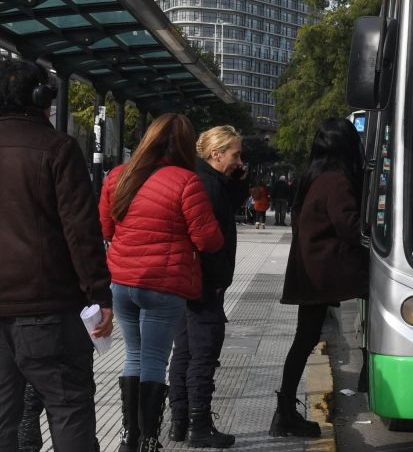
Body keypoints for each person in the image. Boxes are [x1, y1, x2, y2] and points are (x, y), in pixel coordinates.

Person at [0, 59, 114, 452]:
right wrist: (100, 294)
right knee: (69, 410)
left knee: (3, 419)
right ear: (41, 98)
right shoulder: (58, 149)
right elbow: (81, 232)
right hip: (48, 309)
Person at [99, 113, 224, 452]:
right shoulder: (186, 181)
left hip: (122, 283)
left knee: (134, 356)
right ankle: (150, 439)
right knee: (155, 359)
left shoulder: (118, 177)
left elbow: (107, 230)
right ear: (185, 145)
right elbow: (208, 239)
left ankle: (128, 438)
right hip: (163, 285)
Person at [269, 118, 368, 438]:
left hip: (309, 271)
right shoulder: (337, 181)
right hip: (326, 273)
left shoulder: (312, 177)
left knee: (305, 339)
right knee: (379, 299)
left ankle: (284, 411)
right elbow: (349, 227)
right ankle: (284, 412)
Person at [168, 126, 246, 448]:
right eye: (235, 154)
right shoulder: (208, 186)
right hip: (204, 285)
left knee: (183, 352)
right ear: (216, 154)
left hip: (189, 283)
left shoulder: (202, 179)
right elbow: (208, 241)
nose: (239, 161)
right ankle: (199, 425)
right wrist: (215, 282)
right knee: (203, 353)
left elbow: (231, 199)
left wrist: (238, 177)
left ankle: (179, 422)